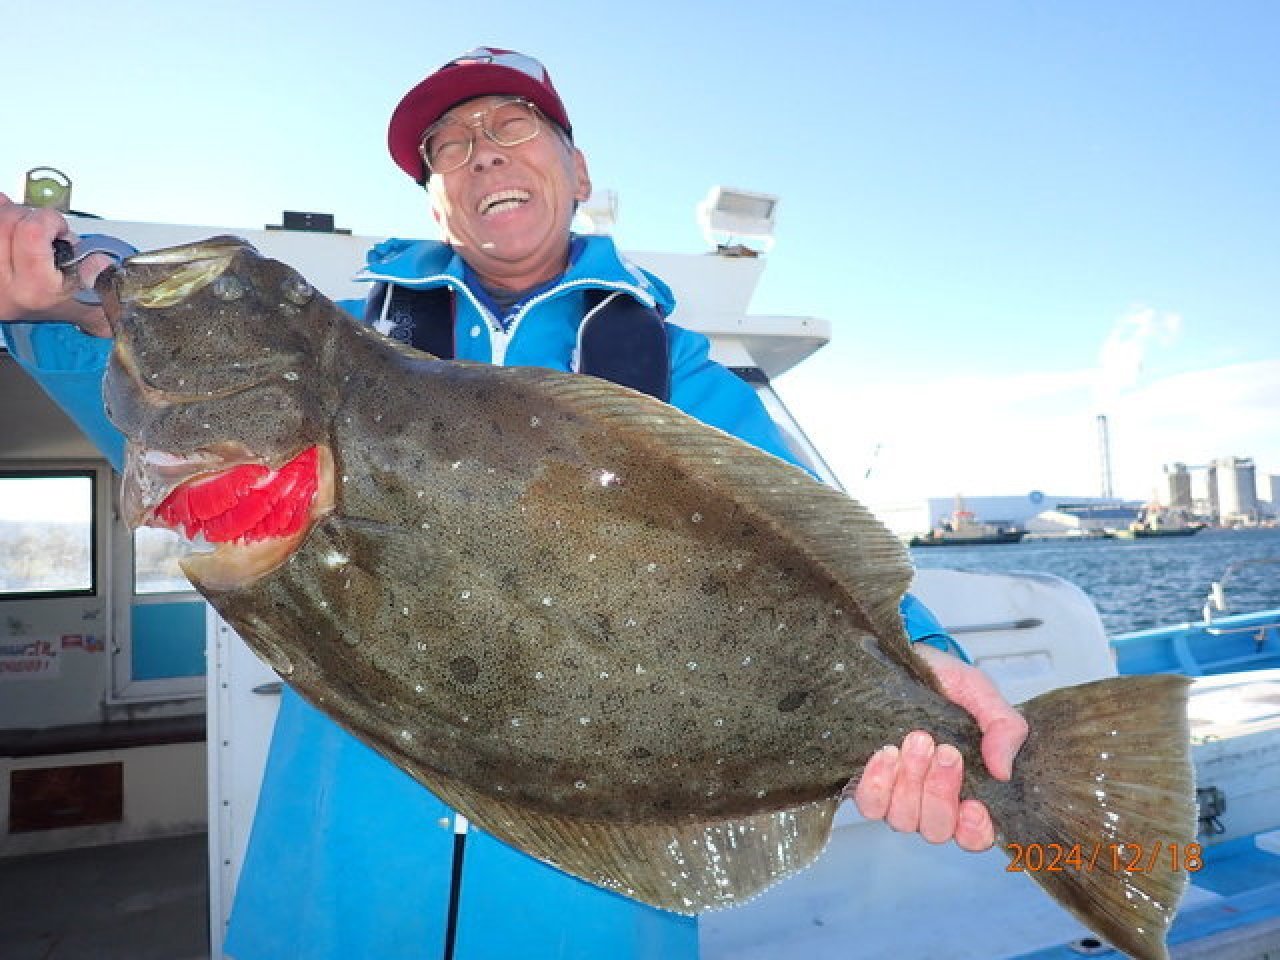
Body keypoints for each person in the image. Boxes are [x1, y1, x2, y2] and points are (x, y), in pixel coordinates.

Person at [0, 47, 1028, 960]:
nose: (482, 153)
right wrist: (35, 304)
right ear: (435, 201)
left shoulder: (685, 381)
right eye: (449, 147)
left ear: (575, 172)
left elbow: (825, 557)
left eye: (511, 127)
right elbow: (144, 406)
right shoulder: (334, 358)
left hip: (584, 916)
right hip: (334, 890)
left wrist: (939, 686)